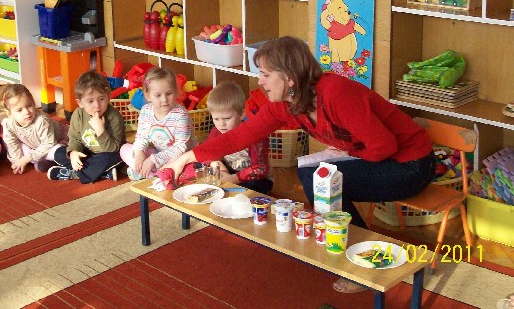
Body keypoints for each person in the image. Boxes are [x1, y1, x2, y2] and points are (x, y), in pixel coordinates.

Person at [159, 36, 434, 293]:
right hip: (380, 158)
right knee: (311, 175)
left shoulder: (336, 93)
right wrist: (184, 159)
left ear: (289, 77)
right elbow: (240, 136)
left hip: (411, 165)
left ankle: (364, 263)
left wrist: (348, 153)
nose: (260, 81)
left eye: (266, 74)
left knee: (320, 180)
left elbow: (385, 146)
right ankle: (349, 245)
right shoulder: (286, 103)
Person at [48, 70, 125, 183]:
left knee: (116, 157)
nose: (97, 105)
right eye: (90, 101)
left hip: (107, 153)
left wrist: (101, 131)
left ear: (108, 97)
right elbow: (75, 138)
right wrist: (74, 152)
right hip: (88, 153)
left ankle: (76, 173)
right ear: (80, 103)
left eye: (101, 99)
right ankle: (101, 173)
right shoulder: (78, 114)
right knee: (59, 152)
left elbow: (113, 148)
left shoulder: (114, 116)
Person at [120, 67, 196, 180]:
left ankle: (150, 174)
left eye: (169, 93)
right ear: (147, 96)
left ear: (175, 92)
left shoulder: (180, 115)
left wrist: (153, 160)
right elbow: (142, 137)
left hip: (182, 158)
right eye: (158, 95)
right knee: (124, 149)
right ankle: (153, 173)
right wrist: (139, 152)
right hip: (160, 155)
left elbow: (181, 148)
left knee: (188, 170)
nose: (164, 99)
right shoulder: (146, 111)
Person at [203, 81, 272, 194]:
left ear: (242, 114)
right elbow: (206, 152)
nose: (221, 124)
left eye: (227, 118)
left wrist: (233, 179)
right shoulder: (216, 131)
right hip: (230, 172)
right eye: (216, 119)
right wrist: (216, 164)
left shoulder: (254, 136)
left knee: (249, 189)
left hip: (255, 178)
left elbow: (260, 169)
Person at [1, 84, 68, 174]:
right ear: (9, 113)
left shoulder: (41, 121)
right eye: (19, 110)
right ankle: (45, 161)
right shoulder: (8, 123)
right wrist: (17, 162)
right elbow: (12, 143)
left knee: (58, 152)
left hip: (56, 142)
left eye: (29, 105)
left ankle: (49, 160)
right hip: (34, 146)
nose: (27, 112)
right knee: (12, 144)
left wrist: (26, 159)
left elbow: (48, 143)